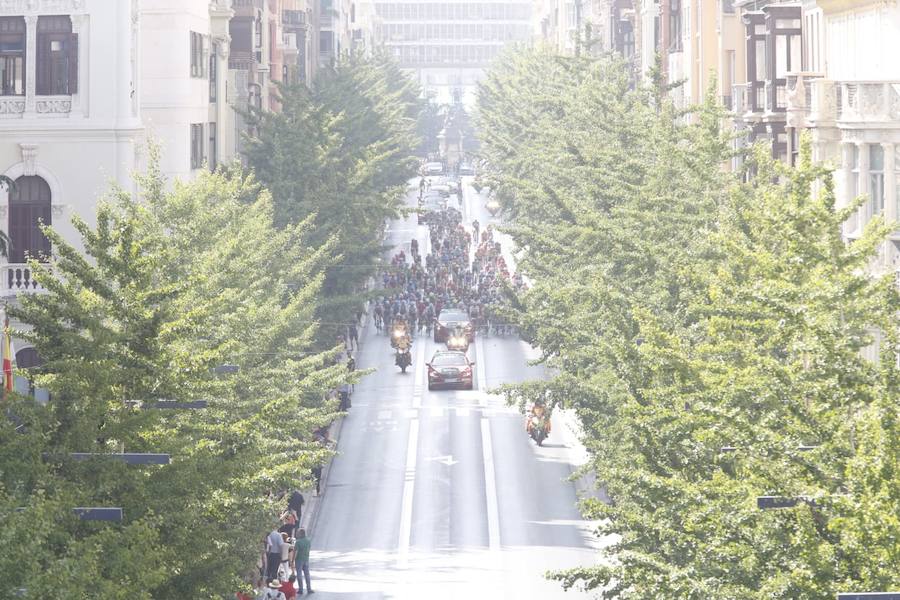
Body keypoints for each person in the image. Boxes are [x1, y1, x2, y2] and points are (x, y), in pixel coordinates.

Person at [294, 529, 313, 595]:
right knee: (307, 574)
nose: (296, 534)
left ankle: (301, 589)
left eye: (297, 533)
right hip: (306, 559)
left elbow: (296, 552)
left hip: (299, 559)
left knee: (299, 574)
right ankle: (309, 588)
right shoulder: (308, 541)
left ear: (301, 534)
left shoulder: (298, 542)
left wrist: (293, 560)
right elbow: (309, 549)